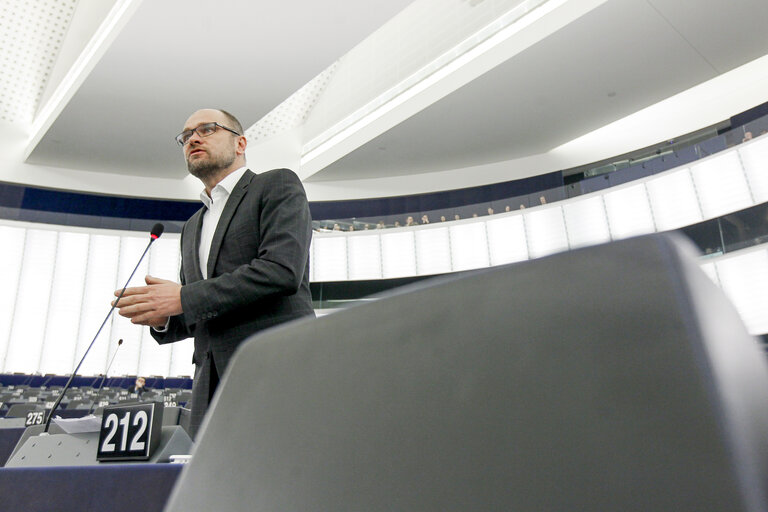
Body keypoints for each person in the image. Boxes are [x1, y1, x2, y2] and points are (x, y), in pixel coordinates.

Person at [113, 109, 315, 438]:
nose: (193, 138)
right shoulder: (192, 226)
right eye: (186, 136)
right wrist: (164, 316)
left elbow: (281, 270)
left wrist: (181, 297)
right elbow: (201, 309)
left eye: (207, 129)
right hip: (209, 383)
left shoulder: (276, 184)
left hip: (277, 369)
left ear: (241, 143)